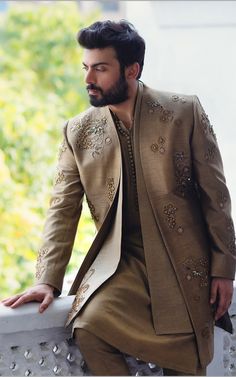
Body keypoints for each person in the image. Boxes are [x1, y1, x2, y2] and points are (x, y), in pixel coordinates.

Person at [2, 20, 236, 376]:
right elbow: (62, 210)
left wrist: (223, 269)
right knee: (88, 326)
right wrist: (47, 280)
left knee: (186, 365)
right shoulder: (77, 131)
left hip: (181, 265)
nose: (88, 79)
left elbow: (215, 198)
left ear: (132, 69)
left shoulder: (182, 113)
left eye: (100, 68)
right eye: (86, 67)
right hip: (121, 267)